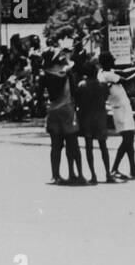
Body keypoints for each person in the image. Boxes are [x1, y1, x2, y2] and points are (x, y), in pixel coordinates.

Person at [41, 50, 84, 185]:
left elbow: (41, 95)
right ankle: (75, 174)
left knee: (55, 146)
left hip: (53, 111)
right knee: (72, 144)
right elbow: (74, 91)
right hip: (68, 110)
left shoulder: (45, 75)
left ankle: (55, 175)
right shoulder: (66, 72)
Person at [102, 52, 135, 179]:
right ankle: (115, 168)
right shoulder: (106, 75)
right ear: (106, 62)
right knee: (127, 140)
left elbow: (125, 71)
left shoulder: (108, 71)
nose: (114, 60)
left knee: (129, 139)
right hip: (119, 109)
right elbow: (127, 80)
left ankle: (133, 168)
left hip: (124, 107)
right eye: (111, 59)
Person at [74, 58, 111, 184]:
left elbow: (78, 101)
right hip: (100, 116)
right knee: (103, 146)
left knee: (89, 147)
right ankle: (108, 173)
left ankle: (93, 175)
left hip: (87, 117)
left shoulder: (82, 85)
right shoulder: (103, 85)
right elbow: (106, 96)